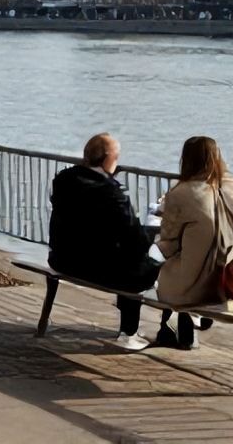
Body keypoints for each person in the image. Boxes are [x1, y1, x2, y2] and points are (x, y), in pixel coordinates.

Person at [48, 133, 164, 350]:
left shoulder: (64, 180)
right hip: (98, 269)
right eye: (116, 157)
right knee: (147, 265)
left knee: (130, 260)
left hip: (61, 259)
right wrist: (152, 230)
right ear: (108, 159)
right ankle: (129, 333)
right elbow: (136, 241)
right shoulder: (111, 193)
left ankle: (138, 328)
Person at [157, 136, 233, 348]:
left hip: (197, 288)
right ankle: (182, 326)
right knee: (192, 258)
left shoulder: (181, 193)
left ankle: (170, 328)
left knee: (161, 265)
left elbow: (168, 243)